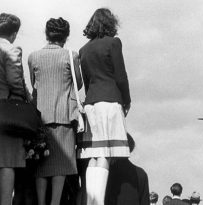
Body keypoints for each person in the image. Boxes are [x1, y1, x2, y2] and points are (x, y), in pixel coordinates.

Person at [78, 8, 132, 205]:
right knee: (106, 153)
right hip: (110, 100)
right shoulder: (114, 43)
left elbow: (85, 80)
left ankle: (91, 200)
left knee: (93, 153)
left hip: (91, 102)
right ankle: (98, 202)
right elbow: (121, 76)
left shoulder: (83, 50)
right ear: (111, 23)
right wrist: (127, 100)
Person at [28, 17, 82, 205]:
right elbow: (79, 83)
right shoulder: (71, 55)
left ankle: (41, 202)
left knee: (41, 165)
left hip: (40, 116)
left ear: (46, 33)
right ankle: (55, 202)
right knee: (61, 164)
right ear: (66, 35)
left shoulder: (33, 56)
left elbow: (34, 82)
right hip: (64, 115)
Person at [0, 12, 29, 205]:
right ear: (14, 33)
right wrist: (28, 98)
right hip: (5, 110)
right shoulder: (11, 49)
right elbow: (15, 81)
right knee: (7, 161)